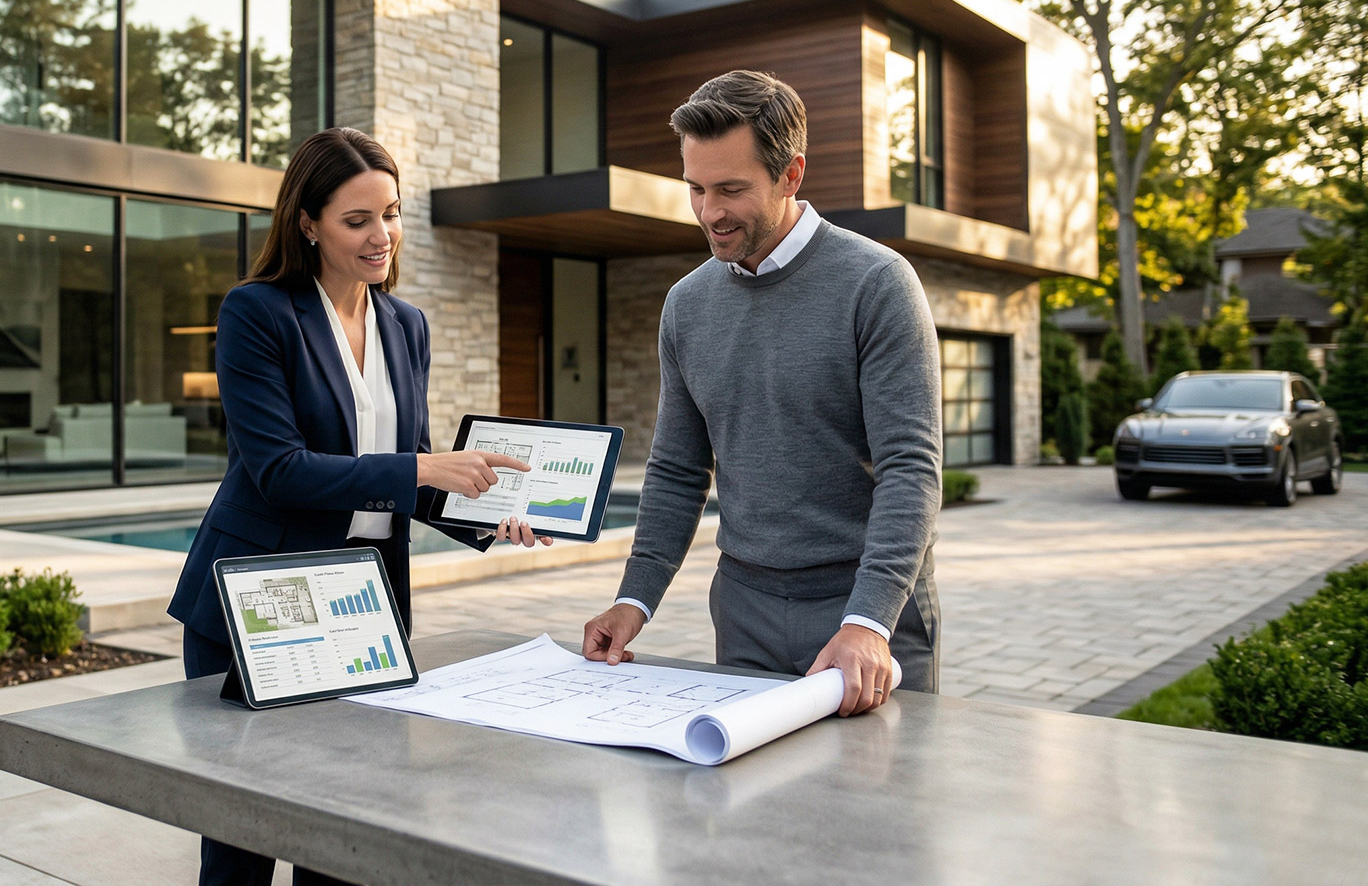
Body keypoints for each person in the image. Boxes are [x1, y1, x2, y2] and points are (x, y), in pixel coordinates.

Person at [166, 127, 535, 886]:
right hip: (258, 595)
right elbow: (279, 470)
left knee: (344, 831)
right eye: (357, 219)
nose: (382, 236)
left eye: (391, 214)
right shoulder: (256, 312)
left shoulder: (407, 325)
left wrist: (487, 510)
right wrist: (425, 466)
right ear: (308, 222)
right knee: (243, 834)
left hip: (364, 601)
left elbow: (407, 475)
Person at [579, 70, 943, 717]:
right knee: (752, 813)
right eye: (695, 188)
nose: (709, 211)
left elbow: (910, 470)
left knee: (874, 813)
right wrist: (634, 599)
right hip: (743, 610)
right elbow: (675, 469)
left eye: (731, 189)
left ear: (791, 174)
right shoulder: (686, 305)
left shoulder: (878, 283)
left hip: (864, 610)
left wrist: (868, 620)